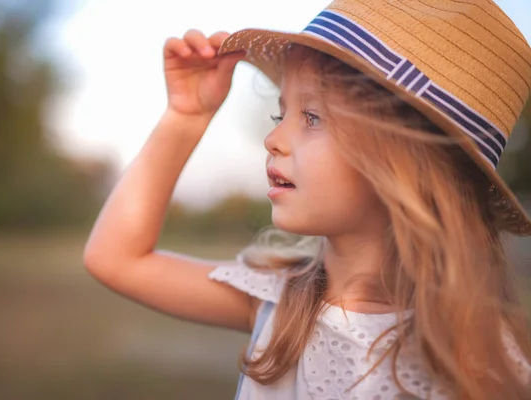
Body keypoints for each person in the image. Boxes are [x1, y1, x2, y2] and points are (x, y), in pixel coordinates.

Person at [84, 1, 531, 399]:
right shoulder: (279, 301)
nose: (273, 138)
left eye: (312, 116)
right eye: (282, 114)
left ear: (408, 165)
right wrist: (185, 117)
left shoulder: (482, 371)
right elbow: (117, 259)